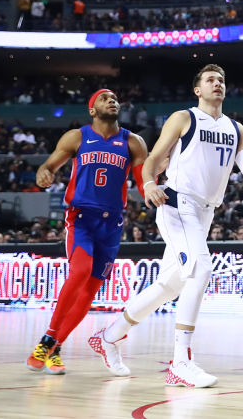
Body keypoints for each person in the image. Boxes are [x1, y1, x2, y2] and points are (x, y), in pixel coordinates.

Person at [89, 65, 243, 387]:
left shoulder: (235, 128)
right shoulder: (183, 118)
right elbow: (154, 157)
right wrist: (147, 183)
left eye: (222, 80)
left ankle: (109, 336)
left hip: (204, 212)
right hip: (177, 203)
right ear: (197, 89)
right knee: (200, 269)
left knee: (169, 286)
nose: (218, 84)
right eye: (211, 80)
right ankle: (181, 361)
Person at [24, 89, 149, 375]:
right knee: (79, 273)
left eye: (116, 97)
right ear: (92, 110)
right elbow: (49, 164)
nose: (112, 100)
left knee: (89, 292)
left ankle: (54, 346)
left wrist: (154, 189)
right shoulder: (76, 137)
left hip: (113, 223)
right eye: (105, 98)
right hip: (81, 219)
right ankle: (49, 338)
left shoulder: (134, 142)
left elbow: (142, 183)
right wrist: (44, 172)